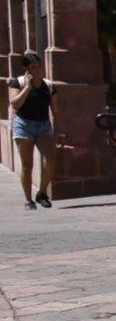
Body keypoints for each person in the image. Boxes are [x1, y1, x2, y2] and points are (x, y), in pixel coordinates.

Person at [8, 51, 56, 209]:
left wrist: (59, 130)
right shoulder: (18, 82)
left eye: (38, 67)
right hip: (24, 125)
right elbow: (15, 103)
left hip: (43, 125)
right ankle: (28, 200)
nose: (37, 70)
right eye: (33, 67)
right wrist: (27, 87)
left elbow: (55, 110)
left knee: (50, 160)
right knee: (27, 165)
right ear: (27, 69)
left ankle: (42, 193)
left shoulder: (48, 85)